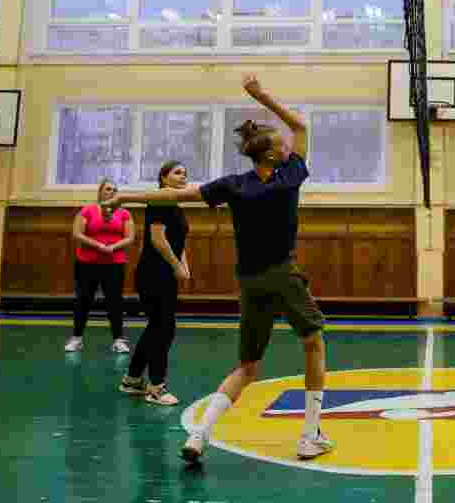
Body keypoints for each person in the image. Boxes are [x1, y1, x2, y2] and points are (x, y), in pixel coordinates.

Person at [107, 74, 331, 462]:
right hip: (282, 273)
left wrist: (126, 194)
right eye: (281, 143)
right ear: (275, 155)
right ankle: (310, 434)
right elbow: (301, 125)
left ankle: (199, 435)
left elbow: (177, 194)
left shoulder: (234, 184)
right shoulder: (288, 177)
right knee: (313, 341)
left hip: (248, 280)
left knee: (247, 367)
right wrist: (261, 95)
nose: (287, 143)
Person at [118, 161, 191, 406]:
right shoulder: (159, 199)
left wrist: (184, 266)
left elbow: (178, 241)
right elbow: (158, 240)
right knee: (163, 329)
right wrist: (176, 266)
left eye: (185, 173)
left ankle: (132, 379)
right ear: (163, 177)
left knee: (158, 327)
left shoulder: (175, 204)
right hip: (153, 274)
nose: (183, 177)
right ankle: (156, 388)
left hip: (166, 274)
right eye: (177, 172)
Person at [66, 178, 134, 353]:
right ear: (100, 192)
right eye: (108, 189)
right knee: (83, 300)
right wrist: (97, 245)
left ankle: (118, 340)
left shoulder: (124, 213)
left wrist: (113, 247)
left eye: (114, 190)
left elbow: (129, 238)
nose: (111, 192)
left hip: (114, 264)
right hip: (87, 263)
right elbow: (77, 234)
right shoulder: (87, 210)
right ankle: (76, 338)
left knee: (114, 302)